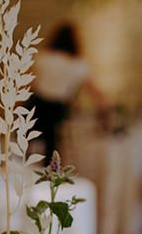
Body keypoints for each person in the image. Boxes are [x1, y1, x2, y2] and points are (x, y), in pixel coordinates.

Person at [31, 22, 106, 160]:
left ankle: (28, 170)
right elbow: (94, 90)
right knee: (53, 144)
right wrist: (105, 105)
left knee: (30, 141)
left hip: (38, 104)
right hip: (59, 108)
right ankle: (51, 173)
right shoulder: (78, 64)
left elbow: (28, 83)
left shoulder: (43, 58)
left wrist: (15, 103)